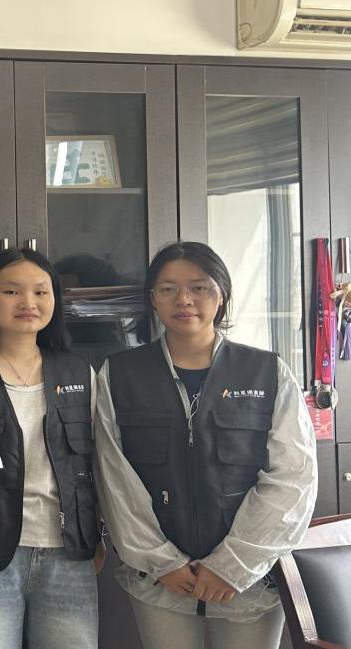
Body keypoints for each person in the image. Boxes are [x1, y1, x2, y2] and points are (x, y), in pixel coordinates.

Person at [95, 241, 317, 649]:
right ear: (153, 299)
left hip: (249, 581)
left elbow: (293, 478)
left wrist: (233, 565)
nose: (184, 300)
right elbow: (113, 478)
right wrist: (162, 562)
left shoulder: (267, 372)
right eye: (168, 289)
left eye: (199, 287)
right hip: (160, 581)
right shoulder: (119, 374)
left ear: (222, 295)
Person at [0, 247, 102, 649]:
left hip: (67, 552)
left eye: (41, 292)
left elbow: (98, 463)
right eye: (11, 292)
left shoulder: (78, 371)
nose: (28, 302)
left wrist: (99, 535)